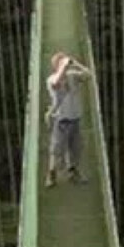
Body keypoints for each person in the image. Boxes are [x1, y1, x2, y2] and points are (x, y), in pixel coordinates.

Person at [45, 51, 91, 187]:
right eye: (61, 63)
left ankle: (73, 172)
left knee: (75, 148)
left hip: (75, 118)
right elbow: (57, 83)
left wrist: (75, 63)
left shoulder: (73, 76)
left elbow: (88, 75)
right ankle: (51, 174)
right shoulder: (51, 79)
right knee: (56, 149)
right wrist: (63, 67)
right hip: (61, 120)